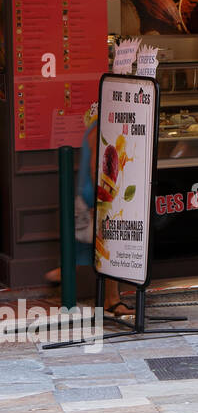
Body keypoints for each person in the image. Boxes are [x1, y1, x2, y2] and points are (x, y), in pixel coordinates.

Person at [44, 105, 125, 315]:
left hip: (86, 193)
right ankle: (112, 300)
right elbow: (96, 165)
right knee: (108, 245)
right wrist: (101, 197)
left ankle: (58, 275)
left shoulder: (92, 127)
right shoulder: (101, 129)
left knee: (84, 245)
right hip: (94, 194)